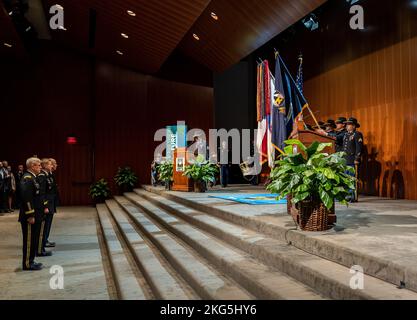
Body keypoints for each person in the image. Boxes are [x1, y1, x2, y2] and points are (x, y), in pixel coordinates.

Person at [19, 157, 44, 271]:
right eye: (39, 165)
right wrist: (30, 215)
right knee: (29, 240)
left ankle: (31, 260)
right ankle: (27, 263)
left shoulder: (33, 178)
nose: (40, 167)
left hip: (36, 214)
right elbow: (26, 198)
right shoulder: (27, 178)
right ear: (32, 166)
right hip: (30, 216)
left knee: (33, 239)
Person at [36, 159, 54, 257]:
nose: (52, 166)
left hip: (49, 203)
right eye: (50, 164)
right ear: (45, 165)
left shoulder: (46, 175)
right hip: (45, 205)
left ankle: (42, 247)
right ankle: (40, 249)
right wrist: (45, 206)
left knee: (45, 227)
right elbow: (42, 193)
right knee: (43, 228)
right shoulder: (42, 176)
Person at [44, 158, 59, 248]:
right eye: (53, 164)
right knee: (46, 222)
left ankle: (46, 239)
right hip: (47, 203)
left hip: (51, 202)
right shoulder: (44, 176)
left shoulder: (50, 175)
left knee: (49, 222)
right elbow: (44, 192)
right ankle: (44, 240)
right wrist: (45, 205)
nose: (55, 165)